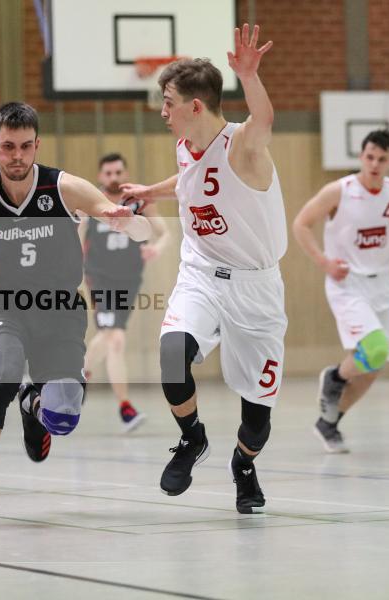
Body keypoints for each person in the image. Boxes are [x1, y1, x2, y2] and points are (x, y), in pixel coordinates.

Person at [0, 102, 151, 529]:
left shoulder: (64, 188)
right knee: (4, 376)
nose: (16, 156)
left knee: (64, 416)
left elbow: (141, 230)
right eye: (7, 147)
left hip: (60, 311)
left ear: (37, 145)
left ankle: (33, 404)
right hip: (5, 306)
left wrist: (126, 223)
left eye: (25, 146)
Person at [121, 24, 286, 514]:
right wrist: (150, 191)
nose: (162, 110)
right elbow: (189, 178)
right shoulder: (184, 144)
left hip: (255, 287)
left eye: (168, 102)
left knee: (257, 421)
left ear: (196, 106)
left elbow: (264, 119)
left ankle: (243, 464)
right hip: (201, 273)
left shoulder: (243, 146)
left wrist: (249, 76)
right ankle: (192, 438)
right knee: (172, 354)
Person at [292, 130, 389, 453]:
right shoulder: (339, 191)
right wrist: (324, 262)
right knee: (375, 348)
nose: (375, 164)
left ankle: (329, 422)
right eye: (369, 157)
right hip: (348, 283)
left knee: (371, 368)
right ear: (361, 157)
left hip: (383, 285)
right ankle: (335, 378)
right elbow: (301, 224)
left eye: (382, 159)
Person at [80, 153, 171, 432]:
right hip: (100, 278)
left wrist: (156, 248)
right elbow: (76, 237)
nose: (114, 177)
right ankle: (125, 408)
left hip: (129, 279)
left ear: (125, 172)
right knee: (116, 338)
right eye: (108, 173)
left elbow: (165, 233)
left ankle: (78, 373)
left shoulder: (138, 200)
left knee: (111, 338)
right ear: (100, 176)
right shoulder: (91, 202)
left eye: (118, 172)